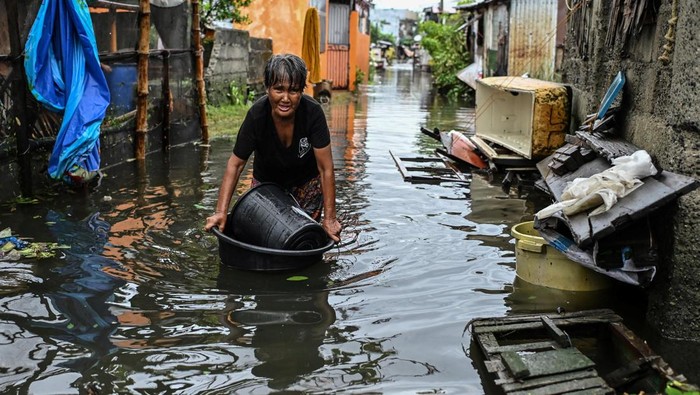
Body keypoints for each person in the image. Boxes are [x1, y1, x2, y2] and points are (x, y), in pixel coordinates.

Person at [204, 54, 341, 242]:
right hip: (267, 187)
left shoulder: (313, 113)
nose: (285, 98)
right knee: (264, 238)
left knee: (301, 239)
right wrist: (220, 212)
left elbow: (326, 168)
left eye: (293, 91)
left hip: (305, 185)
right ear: (268, 88)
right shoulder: (257, 116)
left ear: (301, 91)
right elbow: (235, 165)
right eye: (278, 89)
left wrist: (330, 219)